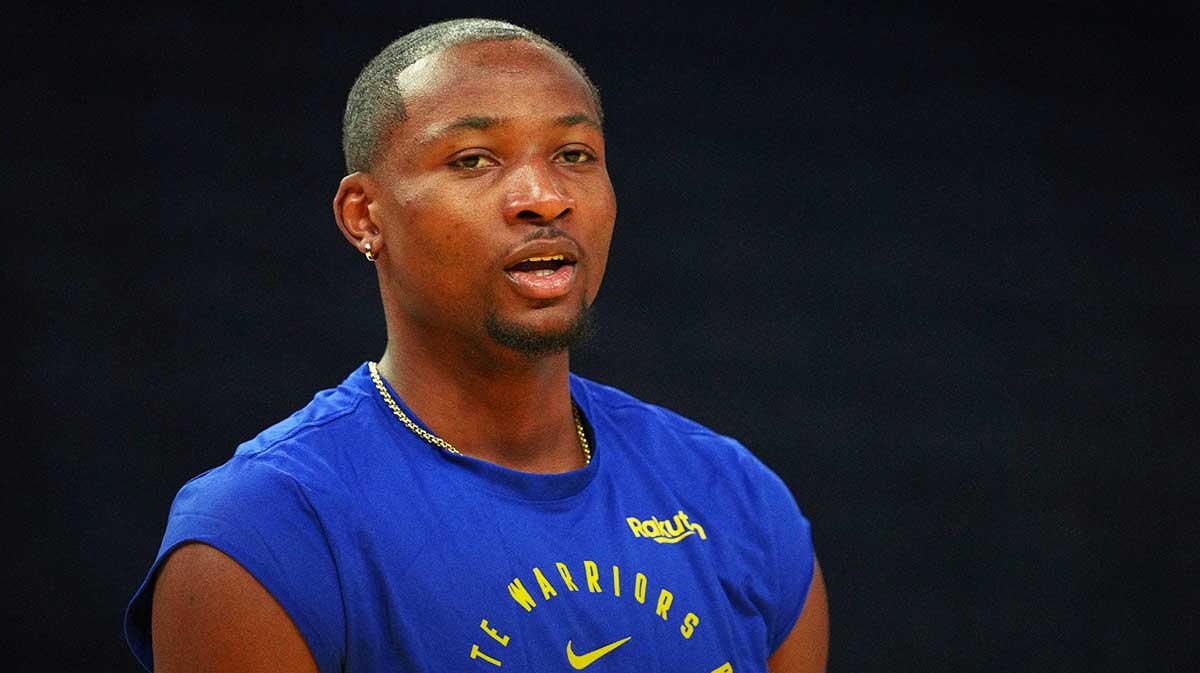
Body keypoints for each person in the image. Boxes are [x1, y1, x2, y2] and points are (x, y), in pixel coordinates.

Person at [125, 18, 828, 673]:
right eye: (473, 159)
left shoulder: (736, 498)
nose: (544, 196)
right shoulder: (263, 533)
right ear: (364, 216)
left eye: (574, 154)